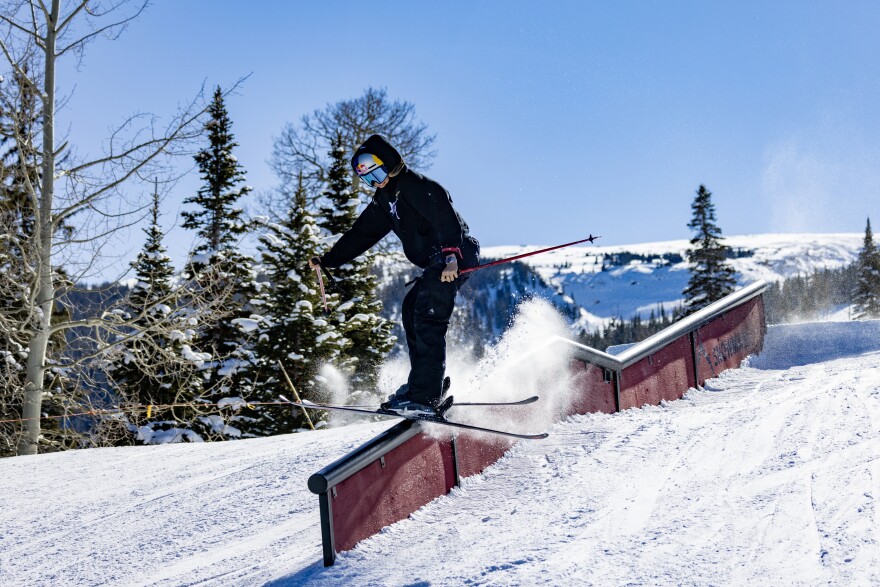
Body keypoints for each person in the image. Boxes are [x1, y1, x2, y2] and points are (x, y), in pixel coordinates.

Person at [309, 134, 479, 416]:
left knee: (427, 314)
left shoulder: (416, 186)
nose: (375, 182)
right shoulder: (385, 200)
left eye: (376, 173)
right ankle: (424, 385)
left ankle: (425, 395)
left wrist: (451, 256)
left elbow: (445, 218)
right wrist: (329, 260)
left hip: (453, 254)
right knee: (411, 308)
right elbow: (361, 234)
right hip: (436, 263)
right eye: (367, 180)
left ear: (390, 164)